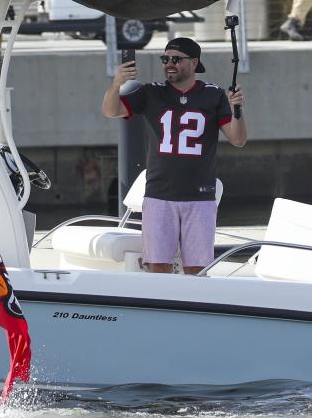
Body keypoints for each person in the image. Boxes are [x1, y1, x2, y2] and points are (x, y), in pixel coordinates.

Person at [102, 37, 248, 274]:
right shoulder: (150, 92)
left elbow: (238, 139)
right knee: (158, 266)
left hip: (199, 197)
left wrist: (237, 111)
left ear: (194, 63)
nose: (169, 64)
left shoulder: (214, 95)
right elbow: (110, 110)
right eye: (165, 59)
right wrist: (116, 83)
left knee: (198, 269)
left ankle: (197, 308)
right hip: (160, 195)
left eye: (176, 59)